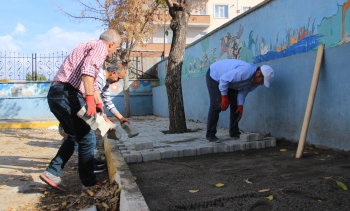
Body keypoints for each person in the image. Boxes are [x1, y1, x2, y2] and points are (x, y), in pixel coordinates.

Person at [39, 29, 121, 192]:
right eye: (116, 48)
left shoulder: (88, 46)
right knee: (88, 138)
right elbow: (88, 72)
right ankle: (89, 183)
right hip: (68, 94)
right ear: (111, 44)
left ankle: (52, 172)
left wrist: (99, 108)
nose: (114, 51)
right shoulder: (100, 47)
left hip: (57, 95)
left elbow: (93, 85)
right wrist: (90, 100)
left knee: (75, 137)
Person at [206, 59, 274, 143]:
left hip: (230, 83)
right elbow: (224, 79)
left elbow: (243, 92)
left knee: (236, 106)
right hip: (215, 75)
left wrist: (241, 105)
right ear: (258, 73)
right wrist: (224, 96)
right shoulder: (246, 72)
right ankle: (210, 134)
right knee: (216, 104)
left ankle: (234, 132)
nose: (261, 84)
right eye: (262, 81)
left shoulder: (255, 83)